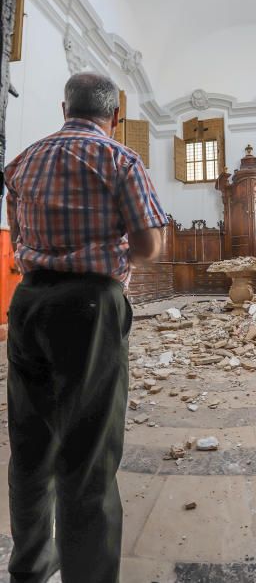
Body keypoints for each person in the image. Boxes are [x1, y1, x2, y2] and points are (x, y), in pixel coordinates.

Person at [4, 72, 168, 583]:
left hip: (27, 302)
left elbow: (19, 234)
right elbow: (148, 247)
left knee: (30, 446)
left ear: (63, 107)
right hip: (91, 309)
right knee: (90, 453)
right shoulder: (121, 159)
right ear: (115, 116)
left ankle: (30, 567)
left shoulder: (22, 162)